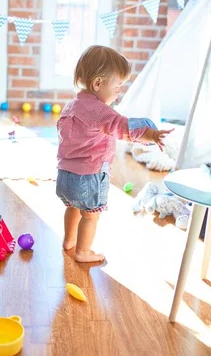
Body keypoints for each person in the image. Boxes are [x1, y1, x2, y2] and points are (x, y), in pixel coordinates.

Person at [56, 45, 173, 263]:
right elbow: (123, 127)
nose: (120, 91)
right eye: (118, 85)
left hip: (65, 175)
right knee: (90, 215)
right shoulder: (99, 111)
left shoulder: (71, 106)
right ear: (98, 83)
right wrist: (152, 135)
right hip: (88, 176)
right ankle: (83, 251)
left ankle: (69, 241)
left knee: (71, 207)